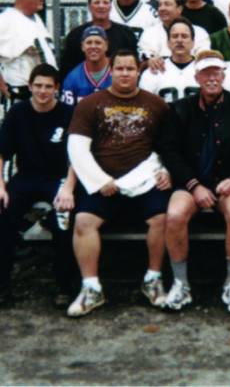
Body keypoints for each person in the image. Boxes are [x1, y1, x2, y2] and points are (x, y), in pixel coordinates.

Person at [65, 49, 172, 317]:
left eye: (130, 69)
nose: (125, 73)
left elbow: (170, 145)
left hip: (144, 180)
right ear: (111, 71)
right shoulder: (90, 104)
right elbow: (77, 148)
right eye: (120, 68)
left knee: (161, 218)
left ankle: (153, 279)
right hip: (104, 182)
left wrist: (165, 170)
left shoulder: (157, 105)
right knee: (84, 222)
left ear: (138, 72)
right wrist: (99, 180)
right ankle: (91, 288)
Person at [0, 64, 77, 312]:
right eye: (38, 86)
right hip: (26, 177)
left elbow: (77, 157)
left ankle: (65, 287)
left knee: (65, 216)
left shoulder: (68, 113)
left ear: (57, 88)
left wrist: (68, 188)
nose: (42, 91)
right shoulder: (18, 112)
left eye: (48, 86)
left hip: (58, 179)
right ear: (29, 86)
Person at [159, 50, 230, 312]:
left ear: (223, 75)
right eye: (205, 73)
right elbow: (170, 152)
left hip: (228, 182)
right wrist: (194, 185)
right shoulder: (179, 109)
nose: (211, 78)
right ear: (197, 78)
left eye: (216, 72)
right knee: (175, 214)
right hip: (192, 181)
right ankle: (181, 284)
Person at [60, 0, 137, 79]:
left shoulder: (126, 34)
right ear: (89, 6)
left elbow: (134, 66)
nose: (101, 6)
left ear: (110, 6)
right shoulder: (75, 35)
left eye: (105, 2)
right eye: (97, 2)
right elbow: (66, 70)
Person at [137, 0, 211, 61]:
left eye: (167, 4)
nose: (162, 8)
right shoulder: (149, 33)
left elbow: (204, 60)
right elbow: (145, 60)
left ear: (179, 9)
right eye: (160, 5)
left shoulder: (200, 33)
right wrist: (150, 61)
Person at [139, 17, 199, 103]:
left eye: (184, 36)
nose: (179, 40)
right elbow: (145, 106)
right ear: (168, 42)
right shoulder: (153, 72)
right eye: (175, 36)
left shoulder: (203, 70)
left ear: (193, 42)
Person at [61, 26, 112, 105]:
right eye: (89, 42)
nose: (93, 46)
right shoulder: (72, 78)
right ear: (82, 46)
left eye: (98, 42)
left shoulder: (120, 70)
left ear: (106, 46)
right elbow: (67, 110)